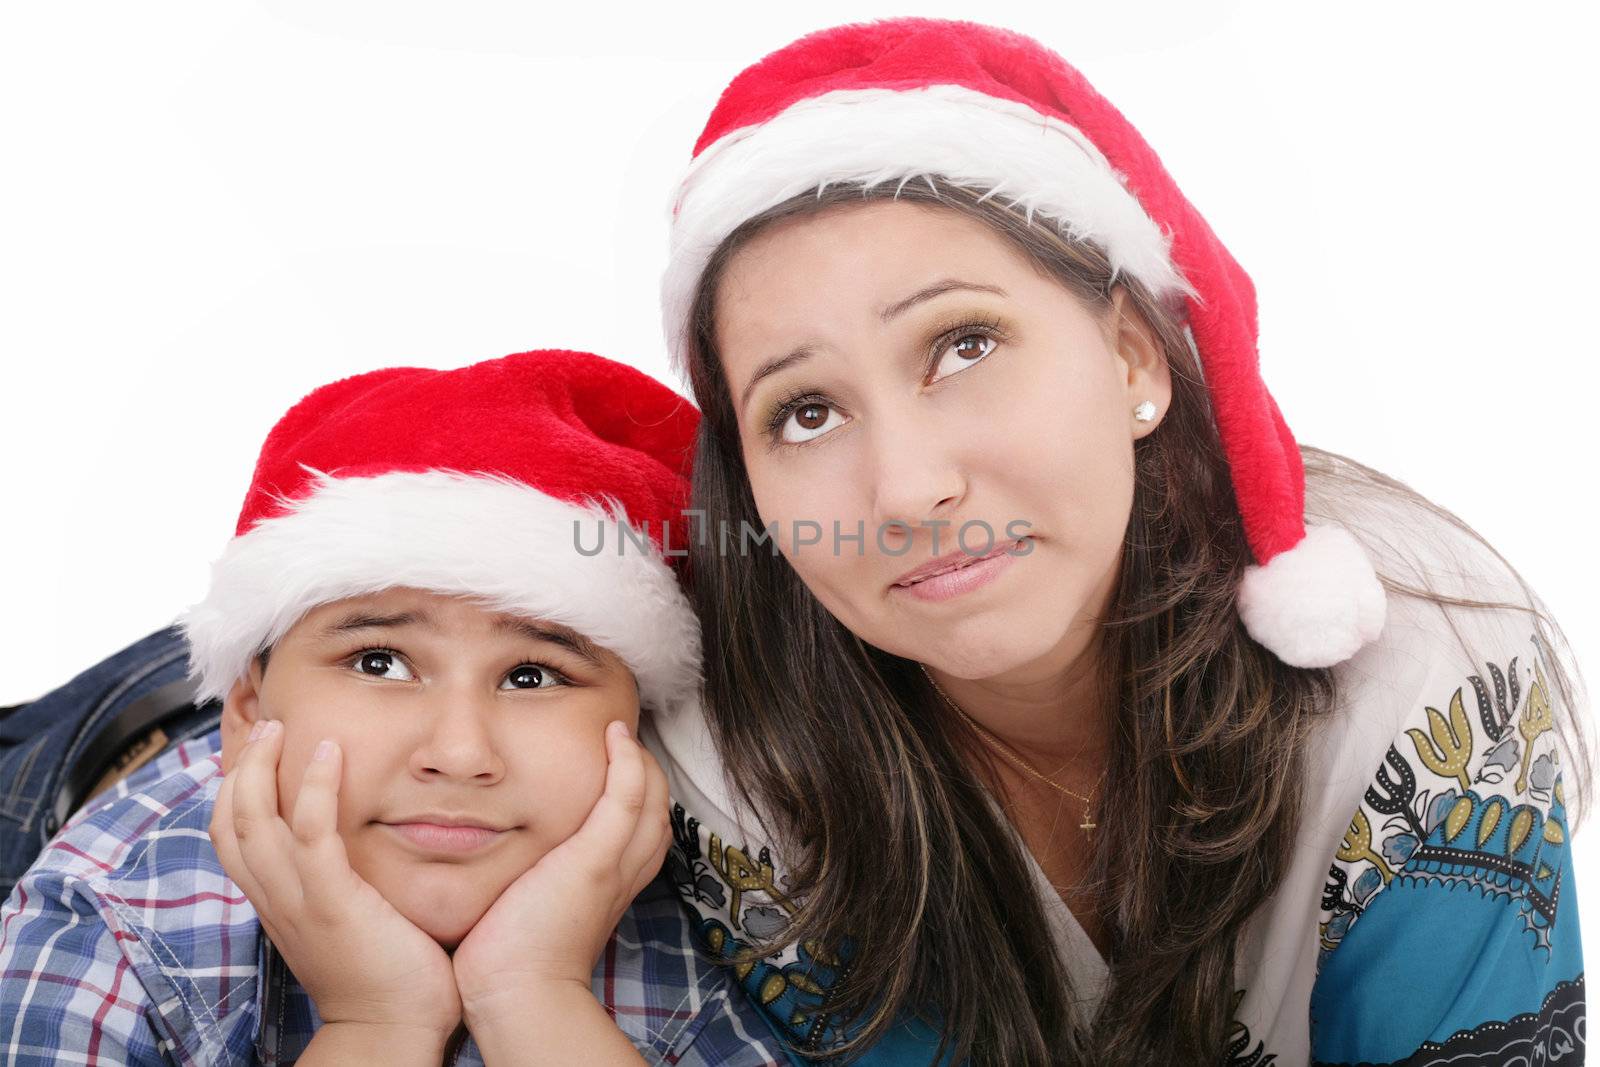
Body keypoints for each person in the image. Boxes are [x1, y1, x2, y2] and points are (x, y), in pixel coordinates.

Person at [641, 17, 1590, 1066]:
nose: (906, 489)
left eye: (963, 344)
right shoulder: (725, 768)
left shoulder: (1412, 672)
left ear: (1136, 357)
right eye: (805, 410)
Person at [0, 350, 790, 1065]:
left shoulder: (721, 901)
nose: (458, 750)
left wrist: (534, 990)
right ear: (246, 713)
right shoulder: (110, 912)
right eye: (380, 662)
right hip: (123, 735)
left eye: (531, 676)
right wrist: (375, 1022)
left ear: (641, 728)